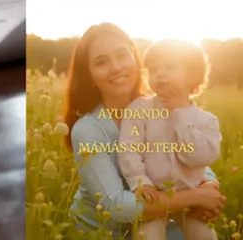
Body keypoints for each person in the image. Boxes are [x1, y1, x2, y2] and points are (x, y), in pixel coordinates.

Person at [64, 24, 225, 237]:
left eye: (122, 55)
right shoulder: (88, 129)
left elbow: (188, 156)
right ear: (89, 75)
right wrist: (196, 197)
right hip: (103, 232)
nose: (116, 67)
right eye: (101, 62)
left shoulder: (163, 105)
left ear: (135, 57)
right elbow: (115, 206)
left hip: (159, 217)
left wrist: (209, 185)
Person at [117, 38, 221, 240]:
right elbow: (129, 149)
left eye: (170, 67)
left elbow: (198, 157)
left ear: (192, 75)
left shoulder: (206, 121)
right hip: (154, 195)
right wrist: (140, 182)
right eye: (153, 70)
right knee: (147, 236)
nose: (160, 74)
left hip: (191, 199)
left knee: (204, 235)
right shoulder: (139, 109)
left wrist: (181, 114)